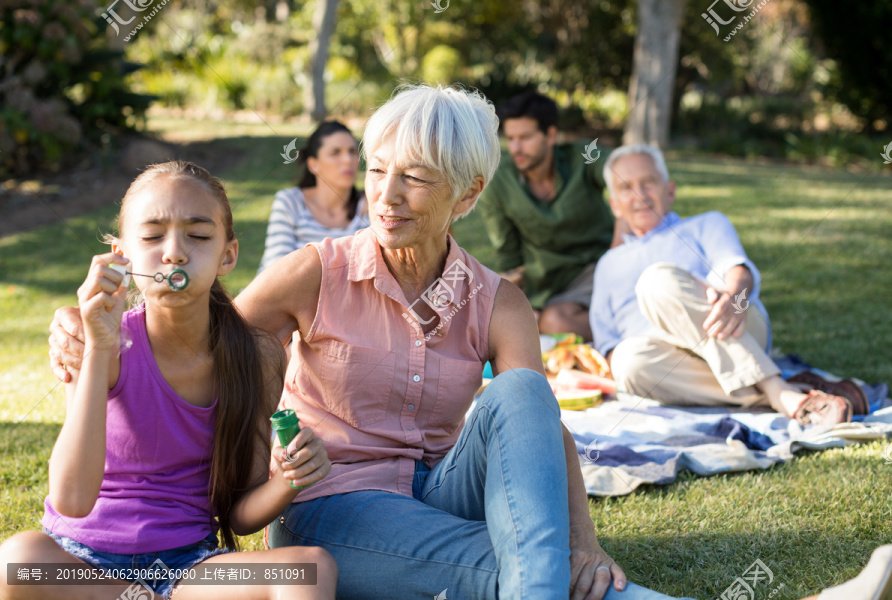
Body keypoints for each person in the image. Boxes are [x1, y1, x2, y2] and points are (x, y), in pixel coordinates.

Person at [46, 86, 695, 600]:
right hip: (337, 501)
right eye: (378, 169)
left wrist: (585, 541)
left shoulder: (498, 301)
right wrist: (84, 329)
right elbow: (206, 337)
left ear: (468, 192)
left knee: (525, 392)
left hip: (441, 489)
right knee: (513, 564)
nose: (383, 196)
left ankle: (542, 568)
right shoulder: (316, 271)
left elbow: (540, 432)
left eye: (413, 178)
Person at [0, 161, 337, 600]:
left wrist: (287, 480)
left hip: (190, 568)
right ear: (122, 256)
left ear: (227, 254)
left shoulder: (259, 354)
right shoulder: (95, 341)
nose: (174, 251)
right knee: (17, 560)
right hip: (81, 562)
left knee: (310, 569)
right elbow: (72, 500)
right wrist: (99, 348)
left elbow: (240, 514)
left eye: (198, 235)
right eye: (153, 236)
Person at [590, 144, 868, 427]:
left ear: (669, 190)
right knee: (627, 363)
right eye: (626, 188)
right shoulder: (607, 265)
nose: (639, 195)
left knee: (654, 282)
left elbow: (738, 272)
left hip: (732, 325)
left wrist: (734, 294)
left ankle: (777, 390)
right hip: (669, 360)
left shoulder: (706, 224)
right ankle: (790, 393)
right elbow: (607, 343)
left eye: (648, 182)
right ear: (614, 205)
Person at [476, 90, 625, 340]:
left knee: (552, 322)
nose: (516, 147)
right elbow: (509, 259)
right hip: (555, 286)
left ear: (551, 135)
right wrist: (522, 305)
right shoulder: (498, 185)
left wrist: (617, 253)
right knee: (550, 322)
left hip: (604, 264)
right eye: (511, 138)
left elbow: (623, 170)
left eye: (525, 137)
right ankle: (627, 327)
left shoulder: (583, 157)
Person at [258, 120, 368, 273]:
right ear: (313, 165)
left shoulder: (370, 207)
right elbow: (275, 270)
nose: (348, 160)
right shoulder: (290, 202)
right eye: (335, 153)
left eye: (352, 152)